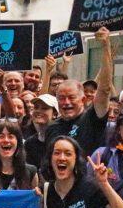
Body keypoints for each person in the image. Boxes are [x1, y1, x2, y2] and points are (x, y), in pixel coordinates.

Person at [45, 28, 115, 156]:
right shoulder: (51, 128)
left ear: (83, 100)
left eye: (71, 97)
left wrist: (105, 46)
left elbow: (104, 89)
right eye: (61, 98)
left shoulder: (92, 118)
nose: (66, 102)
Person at [24, 94, 58, 169]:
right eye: (36, 107)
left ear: (54, 114)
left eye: (44, 108)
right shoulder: (30, 143)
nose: (39, 111)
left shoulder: (61, 141)